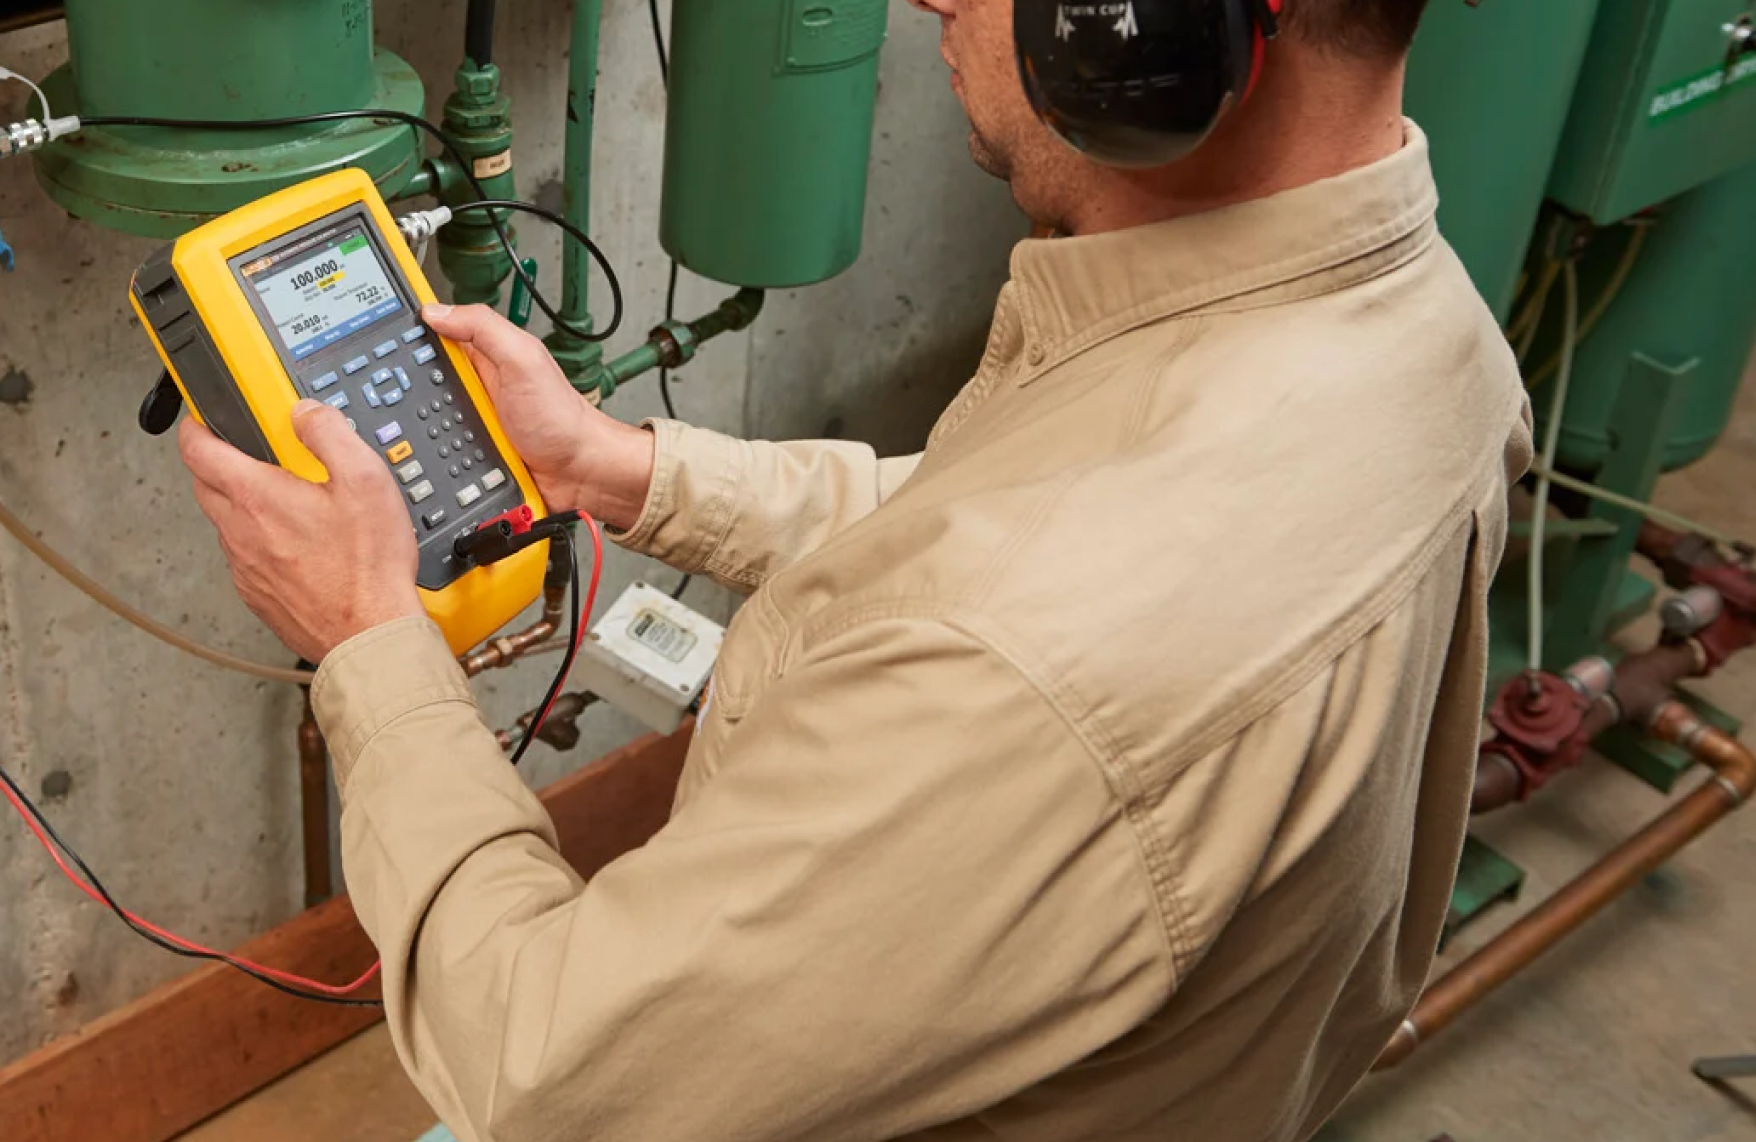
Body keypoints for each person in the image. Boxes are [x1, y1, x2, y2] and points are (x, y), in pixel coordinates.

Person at [175, 0, 1530, 1135]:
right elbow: (975, 529)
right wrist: (617, 467)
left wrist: (371, 643)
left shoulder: (1018, 681)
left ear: (1143, 22)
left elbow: (540, 1068)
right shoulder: (1436, 342)